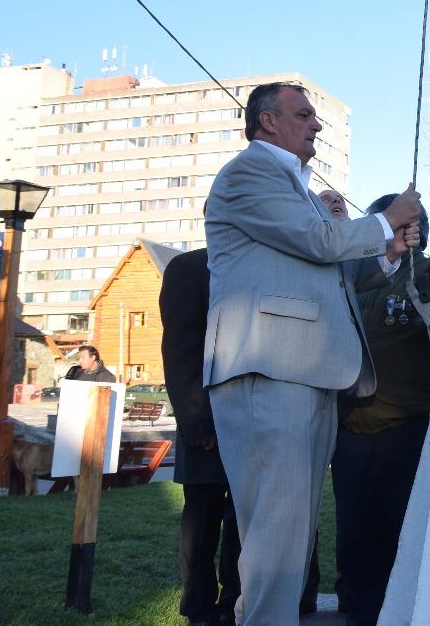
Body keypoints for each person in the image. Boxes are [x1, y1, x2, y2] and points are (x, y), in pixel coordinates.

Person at [203, 81, 422, 624]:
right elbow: (323, 244)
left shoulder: (291, 189)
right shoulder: (250, 172)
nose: (317, 126)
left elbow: (332, 272)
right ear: (267, 122)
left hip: (304, 375)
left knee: (290, 539)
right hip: (268, 373)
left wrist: (386, 253)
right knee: (276, 536)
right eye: (304, 115)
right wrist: (387, 218)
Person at [332, 183, 430, 626]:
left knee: (405, 537)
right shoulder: (350, 276)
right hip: (350, 434)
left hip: (406, 429)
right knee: (356, 540)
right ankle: (358, 612)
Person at [161, 248, 241, 626]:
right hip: (206, 422)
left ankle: (235, 600)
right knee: (202, 520)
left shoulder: (254, 264)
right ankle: (199, 608)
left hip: (250, 422)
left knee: (243, 520)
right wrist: (197, 422)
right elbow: (180, 352)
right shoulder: (188, 268)